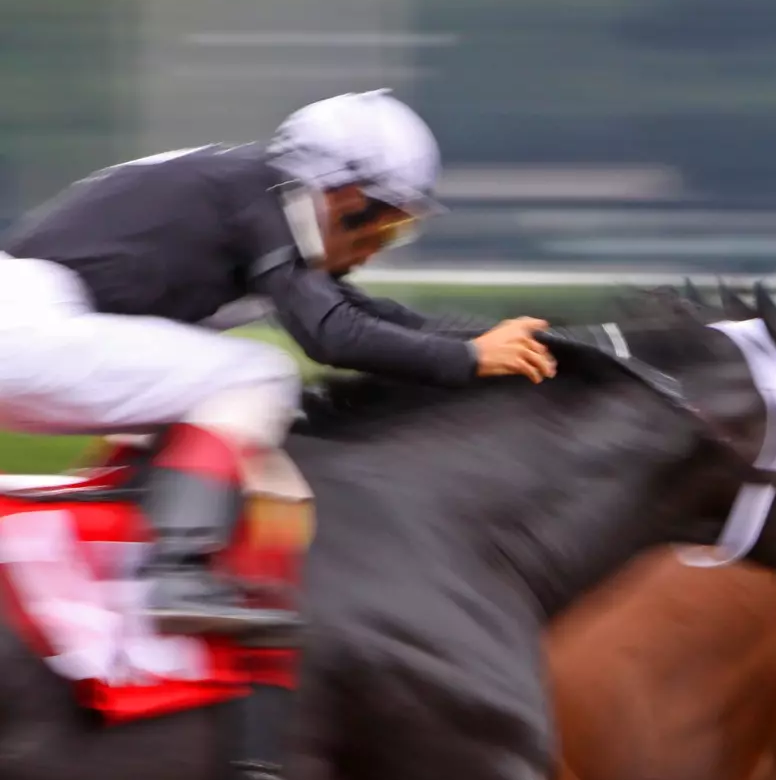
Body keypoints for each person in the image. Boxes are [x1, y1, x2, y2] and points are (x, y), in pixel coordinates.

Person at [0, 89, 559, 639]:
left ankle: (139, 533)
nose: (377, 248)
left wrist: (485, 339)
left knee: (232, 422)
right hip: (30, 328)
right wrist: (467, 359)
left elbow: (362, 312)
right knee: (257, 375)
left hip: (40, 326)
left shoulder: (255, 192)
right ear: (344, 195)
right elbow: (332, 336)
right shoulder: (261, 198)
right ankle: (176, 575)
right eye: (387, 225)